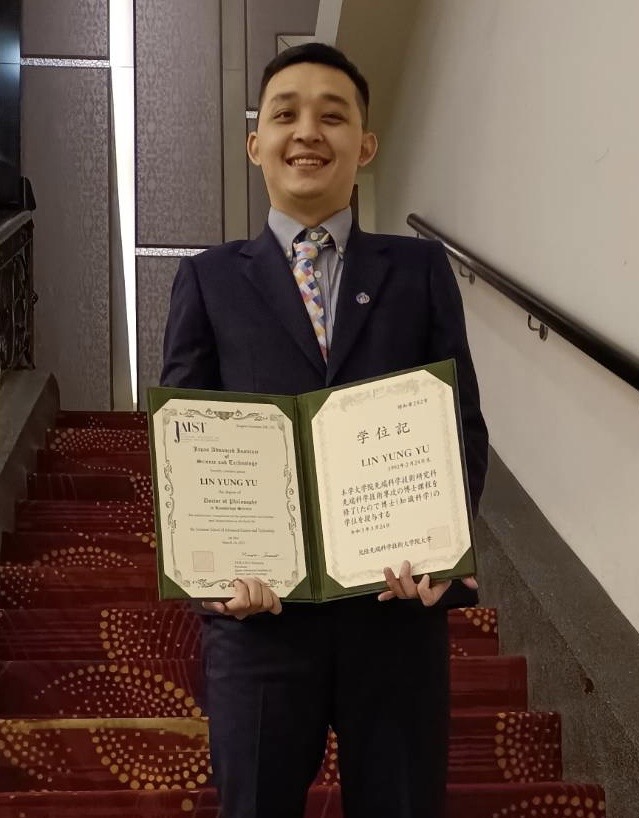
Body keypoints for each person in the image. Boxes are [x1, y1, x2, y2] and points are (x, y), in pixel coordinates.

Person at [161, 42, 488, 818]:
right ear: (256, 146)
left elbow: (460, 424)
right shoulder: (208, 277)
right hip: (260, 623)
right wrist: (217, 573)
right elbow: (186, 441)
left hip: (394, 612)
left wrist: (440, 548)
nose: (307, 131)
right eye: (286, 114)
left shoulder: (419, 270)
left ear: (364, 146)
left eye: (332, 116)